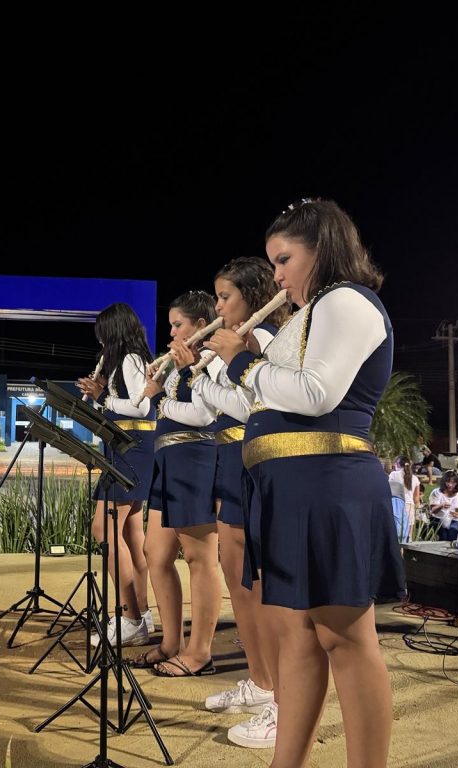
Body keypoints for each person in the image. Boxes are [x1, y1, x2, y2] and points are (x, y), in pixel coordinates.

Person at [206, 198, 404, 764]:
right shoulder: (305, 318)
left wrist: (244, 363)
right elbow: (268, 402)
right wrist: (247, 359)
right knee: (296, 639)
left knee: (346, 638)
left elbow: (317, 394)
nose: (277, 275)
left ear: (324, 251)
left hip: (327, 483)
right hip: (291, 488)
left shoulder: (347, 301)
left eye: (285, 259)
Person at [179, 257, 288, 740]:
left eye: (225, 297)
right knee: (235, 578)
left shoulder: (259, 340)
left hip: (252, 461)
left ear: (251, 294)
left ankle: (280, 692)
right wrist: (194, 374)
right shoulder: (233, 345)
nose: (219, 306)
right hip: (229, 462)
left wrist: (216, 369)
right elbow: (206, 407)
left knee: (257, 585)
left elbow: (249, 405)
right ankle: (261, 681)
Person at [130, 290, 222, 678]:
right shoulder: (178, 364)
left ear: (200, 326)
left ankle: (200, 652)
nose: (172, 333)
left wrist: (162, 399)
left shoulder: (212, 359)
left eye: (178, 325)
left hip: (196, 459)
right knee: (157, 553)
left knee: (201, 559)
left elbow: (204, 414)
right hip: (167, 460)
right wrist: (160, 385)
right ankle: (171, 642)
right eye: (170, 325)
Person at [77, 302, 155, 648]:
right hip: (126, 447)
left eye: (102, 333)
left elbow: (141, 406)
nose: (99, 340)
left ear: (113, 331)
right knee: (130, 531)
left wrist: (103, 397)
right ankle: (142, 613)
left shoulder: (131, 360)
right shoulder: (122, 361)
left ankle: (129, 616)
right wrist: (98, 396)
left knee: (103, 527)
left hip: (132, 448)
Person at [389, 456, 422, 540]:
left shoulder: (394, 474)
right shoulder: (415, 478)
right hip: (410, 507)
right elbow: (416, 499)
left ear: (397, 464)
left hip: (397, 506)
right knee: (408, 537)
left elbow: (388, 490)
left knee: (396, 535)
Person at [429, 470, 458, 542]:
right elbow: (433, 511)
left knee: (452, 533)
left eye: (453, 483)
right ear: (444, 482)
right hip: (438, 519)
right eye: (448, 482)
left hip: (453, 520)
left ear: (456, 483)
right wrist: (441, 505)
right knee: (443, 536)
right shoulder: (437, 492)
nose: (450, 485)